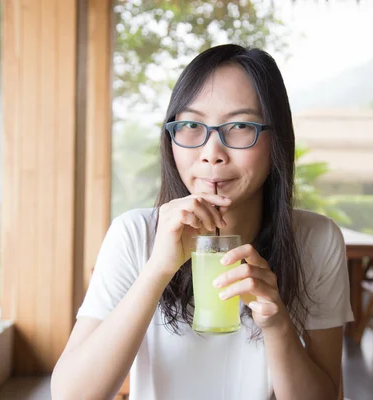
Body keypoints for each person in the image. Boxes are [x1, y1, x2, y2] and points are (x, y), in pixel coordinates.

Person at [51, 44, 353, 400]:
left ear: (277, 139)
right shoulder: (134, 234)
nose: (212, 153)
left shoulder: (315, 240)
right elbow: (71, 395)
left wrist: (276, 324)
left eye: (241, 125)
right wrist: (157, 270)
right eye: (192, 125)